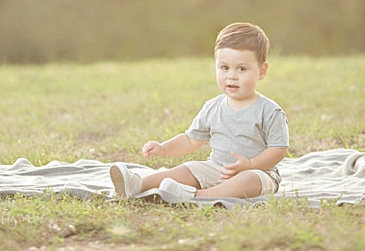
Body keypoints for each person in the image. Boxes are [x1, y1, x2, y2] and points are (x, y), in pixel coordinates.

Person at [109, 22, 289, 202]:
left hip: (259, 174)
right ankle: (137, 185)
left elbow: (278, 149)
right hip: (216, 168)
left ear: (262, 71)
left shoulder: (270, 111)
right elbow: (190, 140)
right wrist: (163, 148)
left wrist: (250, 165)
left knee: (248, 180)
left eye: (242, 69)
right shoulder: (212, 107)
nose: (231, 76)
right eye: (224, 68)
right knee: (189, 168)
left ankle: (197, 195)